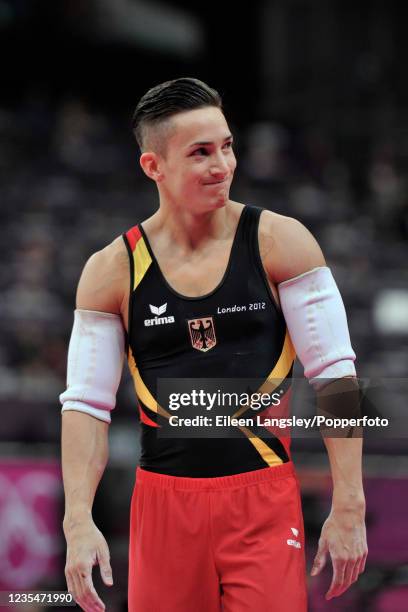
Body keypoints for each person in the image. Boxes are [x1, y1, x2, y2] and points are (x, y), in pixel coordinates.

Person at [60, 77, 367, 612]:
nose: (222, 165)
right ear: (153, 167)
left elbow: (336, 376)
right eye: (200, 153)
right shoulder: (110, 270)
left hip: (262, 500)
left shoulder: (280, 242)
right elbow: (86, 405)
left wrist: (350, 503)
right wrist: (78, 522)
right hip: (163, 508)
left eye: (227, 146)